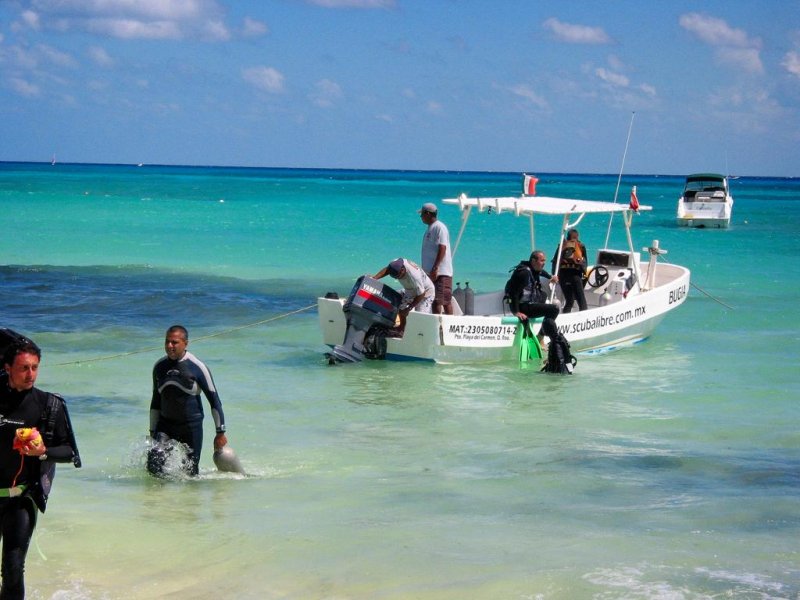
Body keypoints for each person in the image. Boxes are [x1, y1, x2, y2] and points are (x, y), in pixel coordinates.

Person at [1, 340, 80, 599]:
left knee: (13, 571)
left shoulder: (48, 405)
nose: (30, 374)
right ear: (7, 368)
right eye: (24, 368)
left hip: (21, 499)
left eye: (35, 367)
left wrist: (42, 452)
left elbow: (70, 452)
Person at [148, 325, 227, 477]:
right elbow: (155, 402)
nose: (169, 346)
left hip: (191, 427)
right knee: (154, 465)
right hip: (165, 425)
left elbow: (214, 401)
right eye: (167, 342)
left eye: (174, 342)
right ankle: (157, 500)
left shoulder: (197, 367)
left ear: (186, 343)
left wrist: (220, 432)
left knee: (190, 473)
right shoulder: (159, 367)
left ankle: (189, 501)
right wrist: (152, 431)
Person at [507, 250, 560, 348]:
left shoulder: (533, 269)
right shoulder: (523, 273)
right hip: (524, 307)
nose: (544, 263)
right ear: (533, 261)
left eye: (544, 261)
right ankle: (540, 337)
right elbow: (513, 293)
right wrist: (516, 312)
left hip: (530, 303)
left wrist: (550, 277)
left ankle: (540, 334)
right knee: (554, 309)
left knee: (543, 295)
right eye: (542, 261)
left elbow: (541, 272)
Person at [373, 258, 434, 330]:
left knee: (420, 316)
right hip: (410, 290)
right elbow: (387, 269)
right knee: (400, 306)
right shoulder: (395, 263)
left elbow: (421, 294)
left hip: (426, 293)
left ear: (402, 270)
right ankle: (401, 328)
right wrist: (374, 278)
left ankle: (420, 332)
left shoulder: (414, 276)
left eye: (398, 276)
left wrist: (409, 308)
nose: (397, 279)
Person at [419, 202, 454, 315]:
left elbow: (442, 248)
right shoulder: (430, 228)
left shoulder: (440, 227)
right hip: (431, 273)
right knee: (434, 300)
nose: (421, 217)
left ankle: (449, 326)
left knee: (444, 300)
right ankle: (437, 325)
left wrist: (435, 268)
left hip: (440, 272)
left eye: (422, 214)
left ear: (428, 214)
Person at [552, 228, 588, 312]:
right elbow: (584, 261)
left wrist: (555, 274)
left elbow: (555, 261)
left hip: (563, 276)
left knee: (569, 301)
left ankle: (565, 318)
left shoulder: (562, 245)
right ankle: (583, 321)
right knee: (582, 302)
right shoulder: (581, 246)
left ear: (568, 237)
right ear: (577, 237)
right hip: (575, 276)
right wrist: (584, 273)